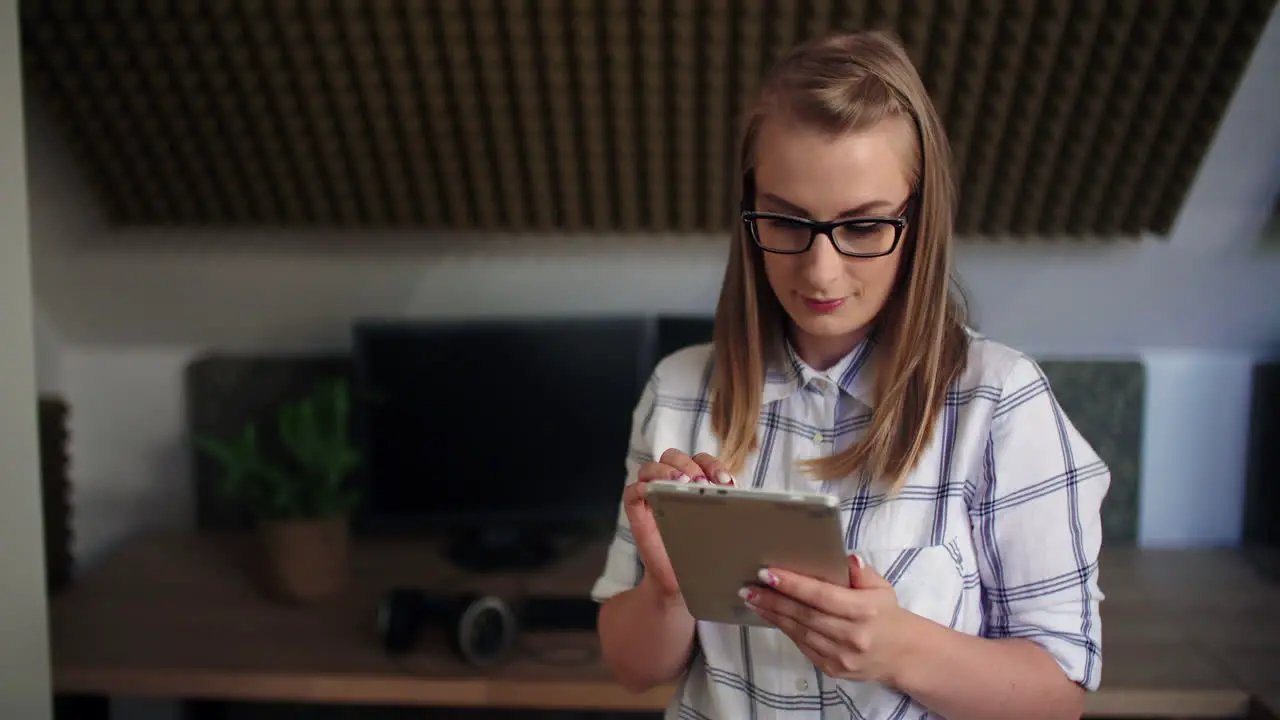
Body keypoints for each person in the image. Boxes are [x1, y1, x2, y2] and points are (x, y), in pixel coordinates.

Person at [591, 30, 1109, 720]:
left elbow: (1058, 699)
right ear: (750, 211)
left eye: (863, 227)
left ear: (918, 220)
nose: (820, 271)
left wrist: (899, 649)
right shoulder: (679, 389)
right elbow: (632, 670)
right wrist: (668, 589)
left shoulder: (1002, 403)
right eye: (786, 220)